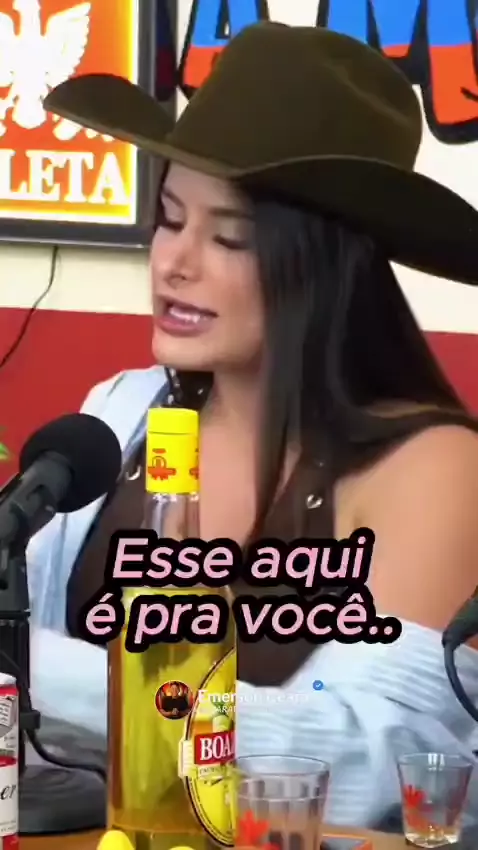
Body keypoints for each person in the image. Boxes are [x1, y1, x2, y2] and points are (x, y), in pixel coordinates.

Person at [27, 21, 478, 830]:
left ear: (324, 267)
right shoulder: (119, 414)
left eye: (229, 237)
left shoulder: (435, 467)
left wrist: (30, 666)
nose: (174, 263)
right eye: (169, 219)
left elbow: (365, 766)